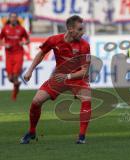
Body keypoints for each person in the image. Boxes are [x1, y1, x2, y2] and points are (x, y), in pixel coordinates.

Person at [20, 15, 91, 144]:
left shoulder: (85, 45)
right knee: (36, 101)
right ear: (70, 29)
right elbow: (41, 53)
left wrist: (69, 76)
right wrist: (30, 70)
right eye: (80, 29)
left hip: (77, 78)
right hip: (59, 78)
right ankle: (31, 131)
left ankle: (81, 136)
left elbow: (85, 70)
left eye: (83, 29)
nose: (83, 32)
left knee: (87, 98)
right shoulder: (54, 40)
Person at [0, 12, 30, 101]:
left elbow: (28, 40)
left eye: (15, 17)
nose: (13, 19)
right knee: (10, 78)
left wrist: (24, 42)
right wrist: (5, 44)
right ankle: (17, 84)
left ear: (17, 19)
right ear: (9, 19)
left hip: (18, 54)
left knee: (15, 76)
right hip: (9, 55)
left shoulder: (21, 29)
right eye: (12, 17)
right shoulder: (5, 29)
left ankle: (14, 95)